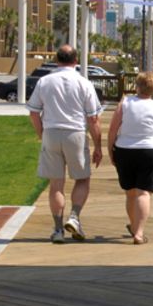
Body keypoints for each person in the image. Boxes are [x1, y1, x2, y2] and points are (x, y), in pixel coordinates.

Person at [27, 44, 104, 243]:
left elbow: (34, 112)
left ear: (56, 60)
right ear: (76, 60)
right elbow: (93, 119)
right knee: (82, 179)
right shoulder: (83, 83)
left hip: (51, 133)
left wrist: (42, 134)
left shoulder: (44, 81)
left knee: (56, 184)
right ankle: (74, 217)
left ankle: (58, 229)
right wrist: (98, 146)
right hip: (75, 133)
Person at [108, 71, 153, 244]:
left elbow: (113, 129)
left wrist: (110, 150)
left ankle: (134, 226)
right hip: (151, 150)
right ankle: (139, 233)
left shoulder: (125, 103)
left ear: (137, 86)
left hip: (126, 149)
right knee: (144, 193)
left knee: (131, 193)